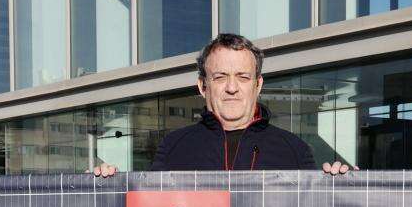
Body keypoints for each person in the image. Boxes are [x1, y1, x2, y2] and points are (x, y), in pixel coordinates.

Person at [93, 34, 354, 176]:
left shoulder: (294, 150)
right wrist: (102, 189)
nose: (232, 87)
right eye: (220, 77)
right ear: (202, 86)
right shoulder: (174, 147)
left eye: (242, 77)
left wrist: (344, 186)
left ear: (258, 85)